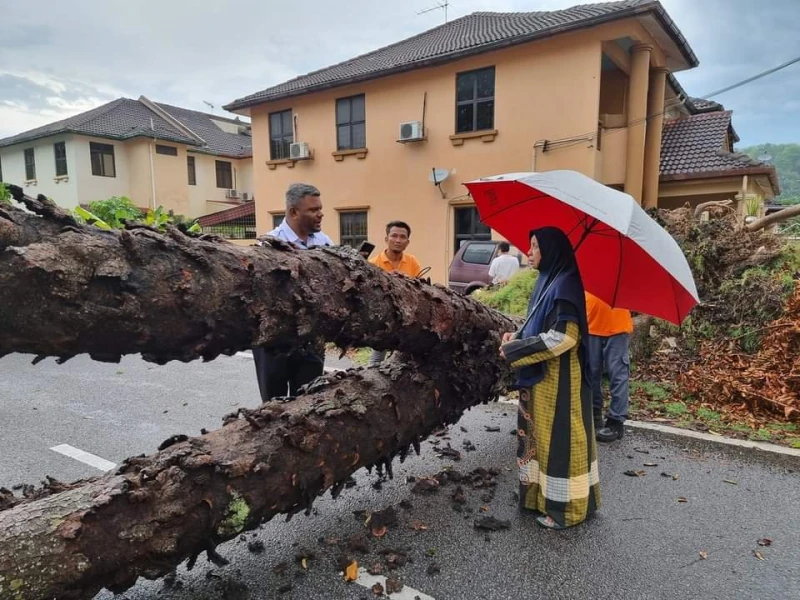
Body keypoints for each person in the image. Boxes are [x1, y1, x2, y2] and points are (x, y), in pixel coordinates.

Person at [499, 227, 600, 530]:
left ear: (551, 251)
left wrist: (515, 350)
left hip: (560, 383)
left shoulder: (567, 284)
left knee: (560, 443)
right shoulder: (547, 279)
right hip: (538, 379)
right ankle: (537, 498)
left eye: (534, 247)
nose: (528, 252)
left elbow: (563, 337)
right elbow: (537, 324)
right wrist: (515, 335)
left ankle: (565, 509)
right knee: (536, 439)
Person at [252, 183, 333, 403]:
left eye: (320, 208)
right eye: (314, 210)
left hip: (310, 337)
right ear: (294, 212)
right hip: (274, 339)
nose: (320, 214)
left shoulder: (325, 243)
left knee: (308, 403)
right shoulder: (268, 245)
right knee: (274, 406)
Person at [368, 221, 422, 366]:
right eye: (394, 236)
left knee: (407, 360)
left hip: (408, 319)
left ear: (407, 242)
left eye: (402, 237)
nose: (398, 240)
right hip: (383, 320)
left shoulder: (412, 262)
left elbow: (420, 288)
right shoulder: (373, 263)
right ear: (386, 239)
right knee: (377, 359)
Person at [585, 292, 633, 442]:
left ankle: (616, 422)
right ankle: (594, 414)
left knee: (618, 376)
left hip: (617, 328)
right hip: (590, 325)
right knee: (590, 374)